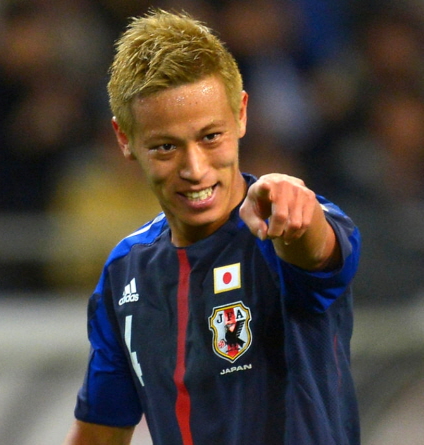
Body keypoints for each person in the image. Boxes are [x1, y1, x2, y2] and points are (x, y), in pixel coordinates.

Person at [62, 9, 361, 445]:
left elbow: (314, 248)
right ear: (124, 139)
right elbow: (100, 432)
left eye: (210, 137)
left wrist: (296, 210)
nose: (195, 169)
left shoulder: (277, 228)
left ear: (240, 114)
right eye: (166, 146)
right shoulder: (125, 271)